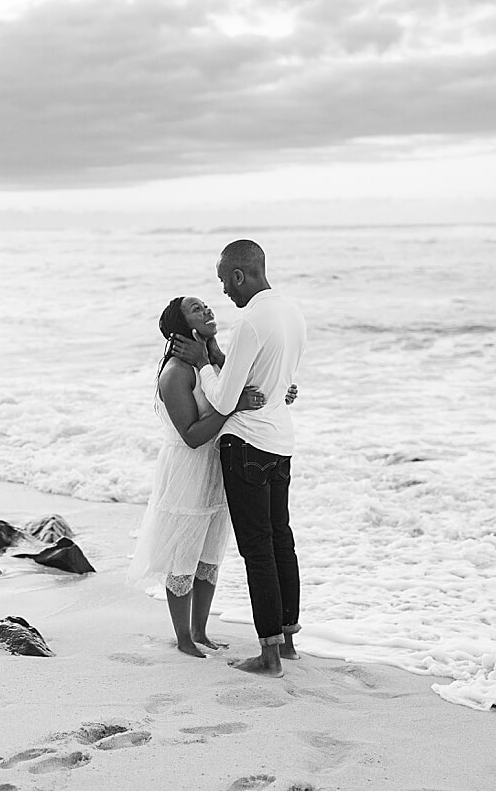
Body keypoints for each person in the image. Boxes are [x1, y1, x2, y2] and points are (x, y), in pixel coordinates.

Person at [127, 295, 297, 658]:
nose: (207, 309)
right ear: (182, 327)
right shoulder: (176, 373)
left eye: (206, 304)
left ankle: (200, 630)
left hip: (218, 468)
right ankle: (183, 638)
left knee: (209, 559)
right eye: (196, 309)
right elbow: (190, 435)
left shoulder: (213, 363)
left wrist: (280, 393)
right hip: (188, 471)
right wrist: (232, 405)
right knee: (183, 558)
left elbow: (248, 389)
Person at [170, 239, 307, 678]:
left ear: (237, 276)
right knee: (281, 539)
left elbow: (228, 397)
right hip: (280, 441)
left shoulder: (249, 322)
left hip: (246, 445)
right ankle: (286, 642)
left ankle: (267, 658)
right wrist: (214, 358)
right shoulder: (291, 312)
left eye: (223, 282)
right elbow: (275, 380)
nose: (223, 294)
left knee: (257, 549)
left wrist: (204, 364)